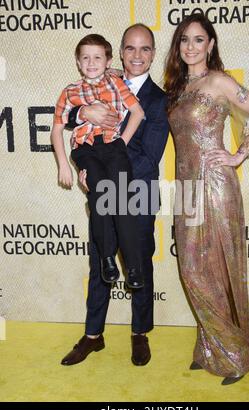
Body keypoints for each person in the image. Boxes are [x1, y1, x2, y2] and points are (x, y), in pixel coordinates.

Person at [164, 13, 249, 385]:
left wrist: (239, 153)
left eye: (198, 40)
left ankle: (237, 354)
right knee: (194, 269)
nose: (190, 47)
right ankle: (211, 348)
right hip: (186, 188)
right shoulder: (178, 87)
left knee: (214, 269)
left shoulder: (219, 82)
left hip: (214, 184)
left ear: (210, 45)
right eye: (184, 40)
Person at [60, 24, 169, 366]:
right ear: (120, 52)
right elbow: (71, 118)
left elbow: (150, 156)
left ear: (153, 53)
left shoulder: (159, 99)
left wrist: (104, 174)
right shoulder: (104, 81)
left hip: (136, 188)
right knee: (100, 260)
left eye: (146, 49)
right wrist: (83, 121)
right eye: (131, 48)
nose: (137, 55)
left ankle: (140, 333)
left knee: (138, 262)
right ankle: (93, 335)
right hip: (105, 186)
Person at [51, 34, 145, 291]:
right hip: (86, 151)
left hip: (113, 147)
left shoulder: (116, 83)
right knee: (101, 197)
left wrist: (122, 142)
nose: (91, 63)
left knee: (123, 202)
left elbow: (138, 112)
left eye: (97, 57)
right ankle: (106, 259)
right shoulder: (70, 92)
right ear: (78, 63)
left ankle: (133, 266)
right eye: (85, 58)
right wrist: (63, 164)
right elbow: (57, 130)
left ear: (108, 61)